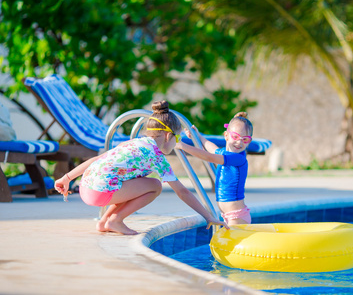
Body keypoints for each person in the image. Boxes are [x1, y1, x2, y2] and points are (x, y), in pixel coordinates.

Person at [54, 100, 228, 235]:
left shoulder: (135, 142)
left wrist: (67, 178)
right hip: (101, 192)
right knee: (154, 186)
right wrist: (208, 216)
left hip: (86, 187)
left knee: (132, 179)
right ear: (169, 136)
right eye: (178, 138)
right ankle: (116, 220)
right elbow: (182, 192)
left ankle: (104, 221)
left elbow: (98, 159)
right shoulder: (157, 157)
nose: (178, 143)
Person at [176, 112, 253, 226]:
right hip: (228, 215)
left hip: (237, 216)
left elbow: (209, 157)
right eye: (235, 137)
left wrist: (182, 145)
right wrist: (198, 136)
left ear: (249, 141)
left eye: (245, 139)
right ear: (226, 135)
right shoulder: (225, 153)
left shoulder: (238, 158)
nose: (239, 142)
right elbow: (212, 148)